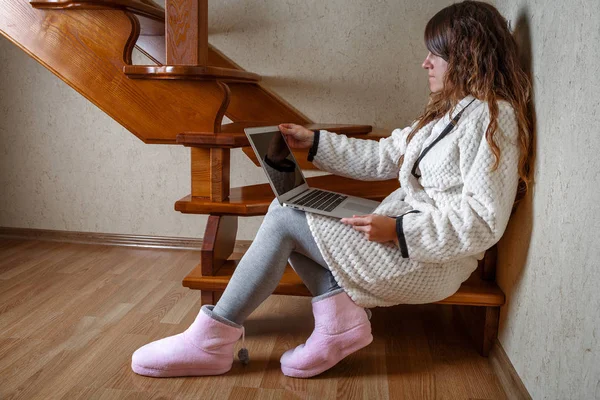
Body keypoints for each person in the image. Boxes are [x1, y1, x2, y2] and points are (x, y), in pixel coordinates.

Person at [131, 0, 532, 379]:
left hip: (430, 260)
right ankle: (338, 323)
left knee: (286, 216)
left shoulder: (493, 118)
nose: (425, 62)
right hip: (405, 234)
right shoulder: (449, 112)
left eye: (437, 55)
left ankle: (211, 341)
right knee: (298, 208)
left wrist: (398, 232)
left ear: (468, 57)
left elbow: (483, 221)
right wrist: (315, 143)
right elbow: (386, 155)